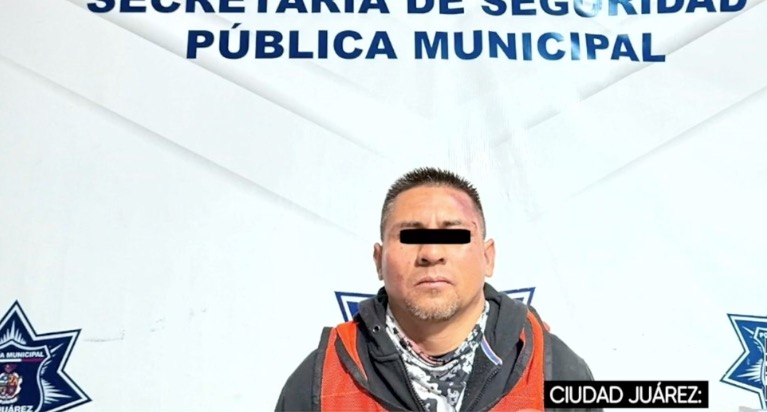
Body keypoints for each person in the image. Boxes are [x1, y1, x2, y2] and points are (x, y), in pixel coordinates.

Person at [275, 167, 598, 411]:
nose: (431, 252)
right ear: (378, 260)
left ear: (487, 257)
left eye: (453, 235)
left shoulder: (558, 370)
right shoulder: (319, 381)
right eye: (409, 236)